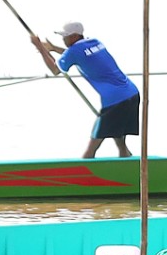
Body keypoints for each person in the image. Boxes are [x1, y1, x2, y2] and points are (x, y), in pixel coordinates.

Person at [32, 20, 140, 157]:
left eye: (65, 36)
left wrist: (40, 48)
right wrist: (53, 49)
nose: (63, 39)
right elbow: (78, 55)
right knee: (118, 138)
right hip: (132, 93)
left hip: (115, 100)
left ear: (74, 36)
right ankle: (127, 162)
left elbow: (55, 69)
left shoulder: (73, 51)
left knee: (92, 146)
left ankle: (82, 172)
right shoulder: (95, 42)